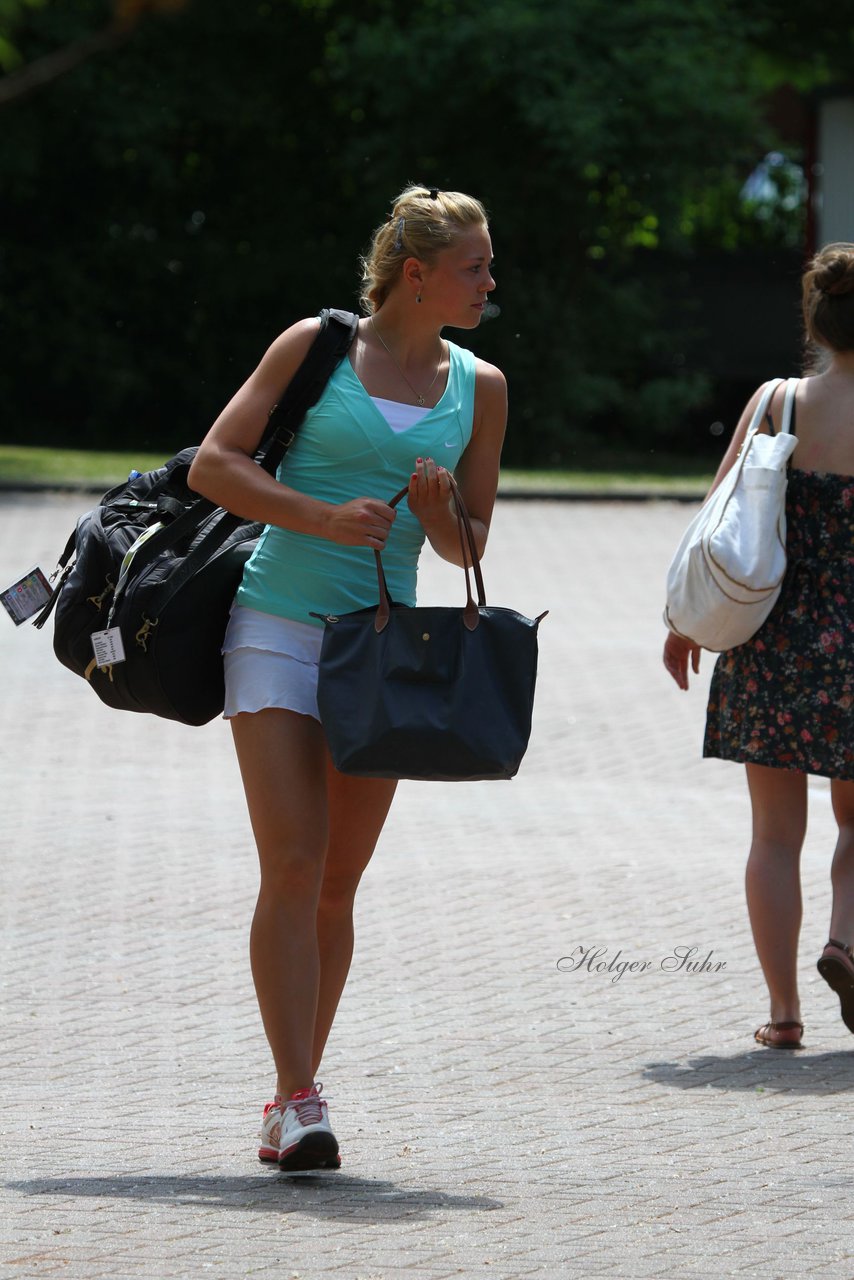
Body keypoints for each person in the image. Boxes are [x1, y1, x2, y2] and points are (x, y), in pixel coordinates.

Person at [187, 186, 505, 1167]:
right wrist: (316, 515)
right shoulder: (314, 347)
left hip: (384, 648)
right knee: (291, 861)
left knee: (335, 882)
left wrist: (440, 506)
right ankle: (297, 1095)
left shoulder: (478, 386)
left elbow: (468, 545)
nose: (490, 281)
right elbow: (213, 463)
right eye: (473, 266)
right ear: (415, 274)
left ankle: (294, 1097)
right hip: (277, 624)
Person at [663, 243, 854, 1052]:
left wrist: (682, 622)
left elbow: (717, 522)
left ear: (814, 320)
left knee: (775, 835)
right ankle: (846, 941)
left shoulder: (776, 402)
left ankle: (783, 1013)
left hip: (772, 642)